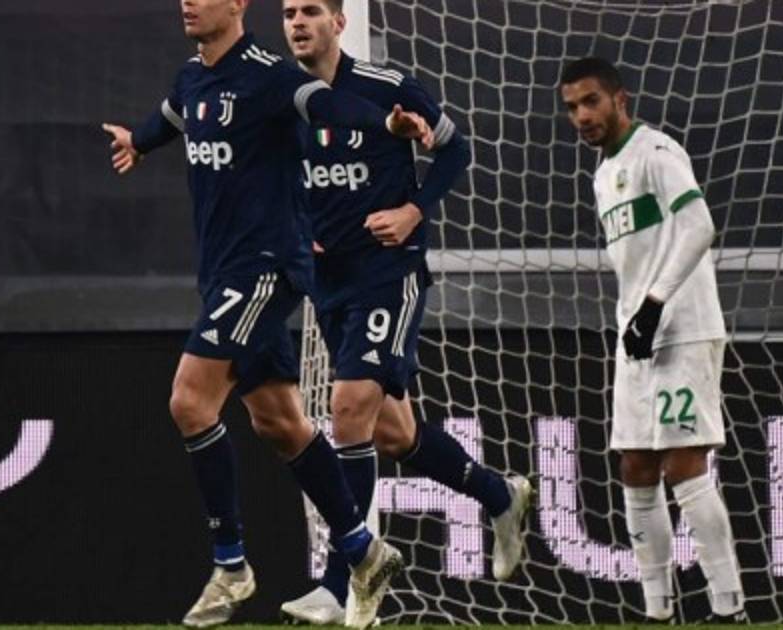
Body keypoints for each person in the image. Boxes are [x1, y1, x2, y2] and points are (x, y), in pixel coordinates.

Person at [101, 1, 434, 627]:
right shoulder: (193, 77)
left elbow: (327, 105)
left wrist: (389, 125)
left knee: (189, 401)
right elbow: (173, 117)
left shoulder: (269, 75)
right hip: (222, 272)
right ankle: (364, 551)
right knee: (279, 422)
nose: (187, 3)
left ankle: (231, 565)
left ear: (237, 5)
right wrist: (137, 142)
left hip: (265, 266)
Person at [277, 0, 534, 624]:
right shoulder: (284, 101)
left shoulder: (387, 87)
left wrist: (413, 210)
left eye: (310, 10)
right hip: (331, 286)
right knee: (393, 433)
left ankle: (342, 582)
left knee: (345, 408)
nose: (297, 22)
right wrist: (298, 232)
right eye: (287, 13)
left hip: (388, 275)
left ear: (339, 21)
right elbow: (282, 182)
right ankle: (500, 495)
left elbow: (454, 150)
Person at [559, 56, 745, 623]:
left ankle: (728, 608)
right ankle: (657, 610)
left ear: (620, 99)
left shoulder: (657, 152)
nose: (582, 116)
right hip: (637, 334)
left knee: (684, 466)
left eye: (591, 101)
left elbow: (699, 226)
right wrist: (638, 316)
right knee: (636, 467)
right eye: (572, 107)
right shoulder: (602, 174)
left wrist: (656, 303)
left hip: (682, 326)